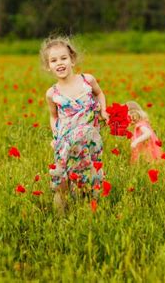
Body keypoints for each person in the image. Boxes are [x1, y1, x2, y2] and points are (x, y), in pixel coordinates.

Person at [42, 36, 109, 212]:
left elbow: (100, 94)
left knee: (91, 177)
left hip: (89, 141)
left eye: (63, 58)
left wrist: (103, 110)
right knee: (62, 181)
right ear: (48, 66)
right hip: (66, 142)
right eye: (53, 60)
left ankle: (91, 211)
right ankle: (60, 218)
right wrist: (55, 136)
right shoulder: (52, 93)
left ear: (72, 60)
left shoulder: (87, 80)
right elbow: (54, 117)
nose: (59, 63)